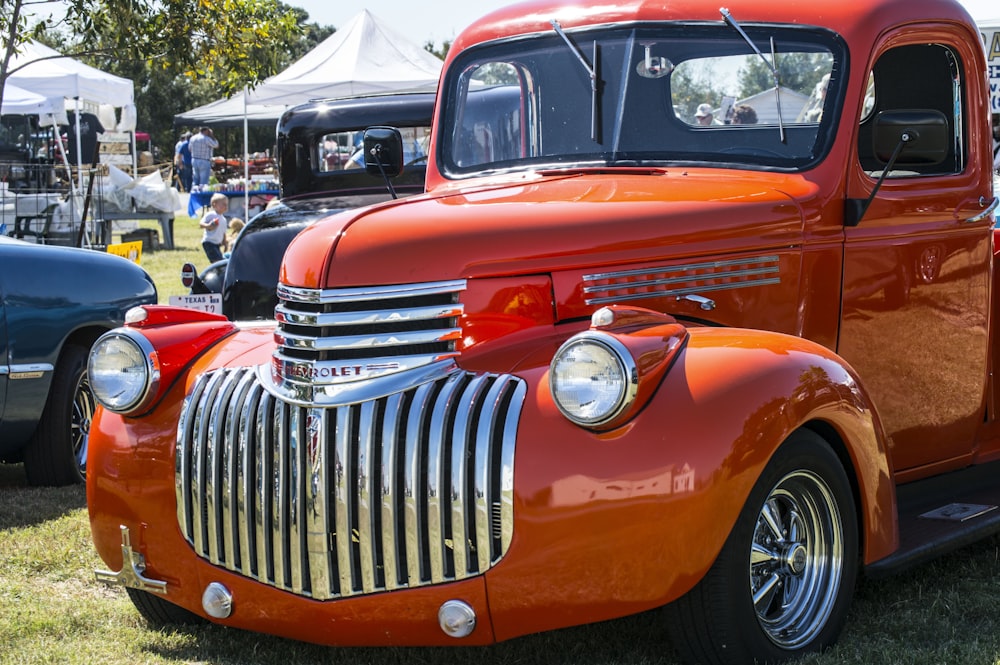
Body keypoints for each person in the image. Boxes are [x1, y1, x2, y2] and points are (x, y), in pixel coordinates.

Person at [199, 193, 229, 262]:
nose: (226, 206)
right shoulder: (211, 215)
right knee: (217, 260)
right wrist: (209, 226)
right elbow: (201, 224)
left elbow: (223, 232)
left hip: (217, 244)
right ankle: (217, 271)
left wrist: (225, 242)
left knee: (219, 260)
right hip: (209, 242)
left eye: (227, 204)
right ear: (214, 204)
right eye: (223, 204)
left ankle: (218, 271)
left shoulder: (224, 219)